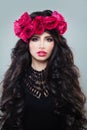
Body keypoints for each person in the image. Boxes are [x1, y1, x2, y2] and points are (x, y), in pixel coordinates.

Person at [0, 9, 87, 130]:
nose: (42, 45)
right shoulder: (15, 81)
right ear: (27, 43)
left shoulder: (66, 78)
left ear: (55, 43)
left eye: (48, 39)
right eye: (35, 39)